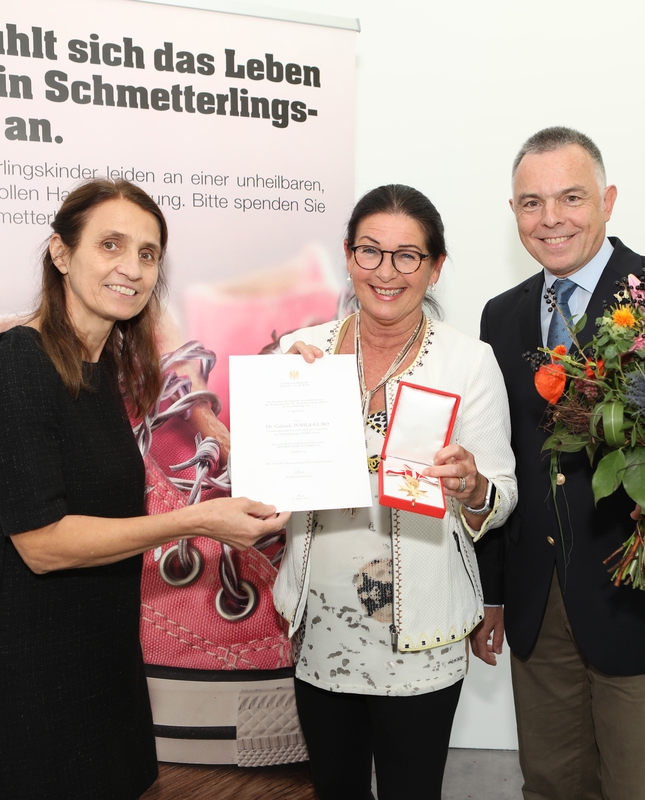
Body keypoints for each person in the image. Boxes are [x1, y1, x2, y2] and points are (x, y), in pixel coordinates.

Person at [0, 178, 290, 800]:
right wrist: (197, 521)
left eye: (147, 253)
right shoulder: (16, 364)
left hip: (104, 653)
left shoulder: (101, 367)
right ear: (61, 253)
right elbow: (42, 544)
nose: (132, 268)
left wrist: (295, 393)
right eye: (110, 245)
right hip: (30, 671)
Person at [472, 127, 645, 800]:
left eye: (571, 197)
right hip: (537, 601)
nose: (551, 218)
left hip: (639, 592)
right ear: (513, 212)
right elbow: (504, 460)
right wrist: (493, 591)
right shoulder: (500, 317)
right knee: (548, 784)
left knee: (634, 787)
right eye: (531, 202)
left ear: (608, 200)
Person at [275, 184, 517, 800]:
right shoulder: (301, 353)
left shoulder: (469, 362)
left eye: (408, 255)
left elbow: (502, 494)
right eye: (370, 251)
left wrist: (472, 485)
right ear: (348, 255)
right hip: (321, 622)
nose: (386, 272)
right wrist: (282, 402)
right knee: (335, 788)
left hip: (421, 628)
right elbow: (268, 488)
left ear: (435, 267)